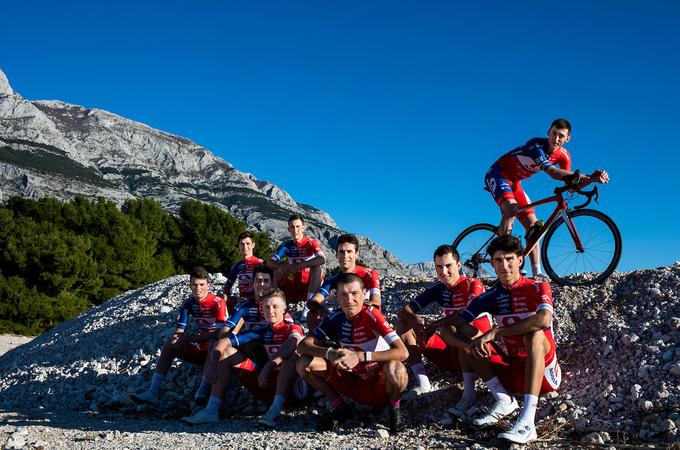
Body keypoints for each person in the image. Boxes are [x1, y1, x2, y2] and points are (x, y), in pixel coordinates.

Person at [428, 235, 561, 444]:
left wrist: (496, 332)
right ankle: (504, 399)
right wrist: (436, 327)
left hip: (543, 374)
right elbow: (458, 320)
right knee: (466, 335)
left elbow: (543, 319)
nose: (504, 266)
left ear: (520, 260)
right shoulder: (490, 296)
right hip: (511, 370)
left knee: (535, 334)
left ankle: (527, 422)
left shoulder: (538, 287)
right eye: (498, 260)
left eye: (509, 259)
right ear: (492, 263)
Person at [484, 118, 609, 277]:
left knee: (534, 226)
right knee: (511, 210)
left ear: (567, 139)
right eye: (554, 134)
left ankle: (537, 273)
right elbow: (553, 173)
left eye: (561, 136)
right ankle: (501, 258)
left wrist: (591, 180)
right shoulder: (536, 145)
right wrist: (589, 175)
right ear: (548, 132)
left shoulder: (564, 156)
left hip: (515, 183)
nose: (556, 139)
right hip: (498, 174)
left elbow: (570, 185)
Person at [296, 273, 409, 433]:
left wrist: (362, 356)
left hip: (379, 384)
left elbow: (402, 352)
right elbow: (302, 346)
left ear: (364, 294)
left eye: (355, 293)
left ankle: (393, 409)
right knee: (303, 363)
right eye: (343, 294)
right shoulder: (335, 317)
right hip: (353, 382)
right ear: (336, 296)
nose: (349, 300)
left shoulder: (372, 314)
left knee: (397, 369)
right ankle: (341, 408)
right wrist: (329, 353)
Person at [182, 290, 305, 426]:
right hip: (267, 384)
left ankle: (273, 412)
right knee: (225, 351)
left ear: (284, 309)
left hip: (293, 391)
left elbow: (294, 342)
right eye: (266, 307)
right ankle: (211, 410)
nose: (270, 311)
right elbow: (223, 342)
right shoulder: (262, 330)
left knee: (292, 357)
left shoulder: (293, 327)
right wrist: (212, 364)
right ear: (262, 310)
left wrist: (270, 364)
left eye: (275, 306)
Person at [396, 245, 486, 401]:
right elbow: (403, 312)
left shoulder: (474, 284)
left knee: (458, 328)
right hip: (452, 351)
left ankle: (469, 393)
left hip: (477, 352)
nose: (443, 272)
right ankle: (423, 383)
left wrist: (435, 324)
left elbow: (466, 314)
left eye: (448, 266)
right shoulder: (438, 289)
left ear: (459, 266)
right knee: (404, 325)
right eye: (439, 267)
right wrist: (414, 319)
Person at [130, 266, 226, 408]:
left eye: (201, 285)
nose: (198, 288)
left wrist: (189, 339)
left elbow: (220, 334)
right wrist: (177, 338)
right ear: (189, 285)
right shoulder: (188, 304)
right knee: (169, 345)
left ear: (208, 285)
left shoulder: (217, 302)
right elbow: (180, 330)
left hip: (218, 352)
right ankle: (153, 391)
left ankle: (202, 391)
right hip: (200, 348)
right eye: (194, 284)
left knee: (213, 342)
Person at [306, 233, 381, 329]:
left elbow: (375, 303)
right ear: (336, 254)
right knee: (312, 315)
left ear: (356, 254)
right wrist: (323, 311)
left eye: (349, 251)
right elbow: (312, 302)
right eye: (341, 252)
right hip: (344, 321)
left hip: (366, 320)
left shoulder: (369, 274)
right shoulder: (333, 279)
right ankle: (326, 342)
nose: (345, 255)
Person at [268, 214, 325, 320]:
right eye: (292, 227)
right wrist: (284, 266)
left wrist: (299, 265)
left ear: (303, 228)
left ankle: (309, 305)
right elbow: (270, 262)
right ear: (288, 229)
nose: (295, 230)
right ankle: (275, 302)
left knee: (316, 268)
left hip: (310, 285)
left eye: (298, 226)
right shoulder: (286, 245)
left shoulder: (310, 242)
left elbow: (322, 259)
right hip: (294, 284)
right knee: (276, 270)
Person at [222, 231, 264, 314]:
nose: (245, 246)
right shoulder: (237, 266)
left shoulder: (260, 263)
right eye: (242, 244)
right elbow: (227, 286)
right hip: (242, 302)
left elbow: (267, 287)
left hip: (259, 301)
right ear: (239, 246)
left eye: (248, 243)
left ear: (253, 245)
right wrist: (225, 299)